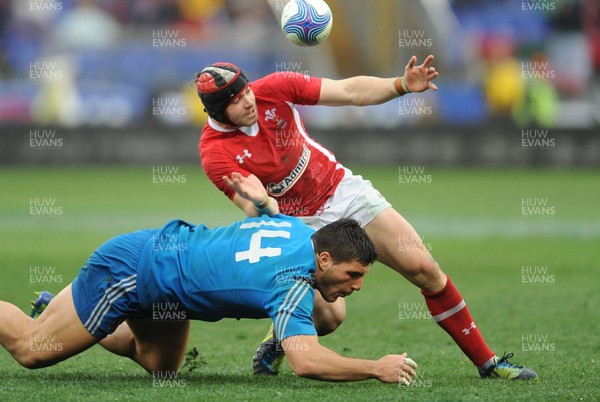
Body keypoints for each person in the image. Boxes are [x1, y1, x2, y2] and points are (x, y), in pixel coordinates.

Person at [195, 59, 538, 380]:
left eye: (247, 92)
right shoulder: (214, 153)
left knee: (424, 268)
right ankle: (280, 337)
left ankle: (488, 363)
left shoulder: (276, 87)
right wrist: (261, 201)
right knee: (330, 317)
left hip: (341, 190)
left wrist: (401, 84)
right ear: (217, 112)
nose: (249, 102)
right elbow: (257, 211)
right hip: (297, 223)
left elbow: (349, 91)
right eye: (237, 101)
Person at [0, 173, 418, 384]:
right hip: (131, 271)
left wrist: (266, 203)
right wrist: (375, 368)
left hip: (167, 287)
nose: (357, 285)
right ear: (323, 258)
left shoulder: (302, 232)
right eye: (353, 275)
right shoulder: (289, 281)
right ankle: (67, 311)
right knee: (31, 350)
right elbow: (306, 362)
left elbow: (329, 301)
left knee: (160, 368)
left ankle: (65, 306)